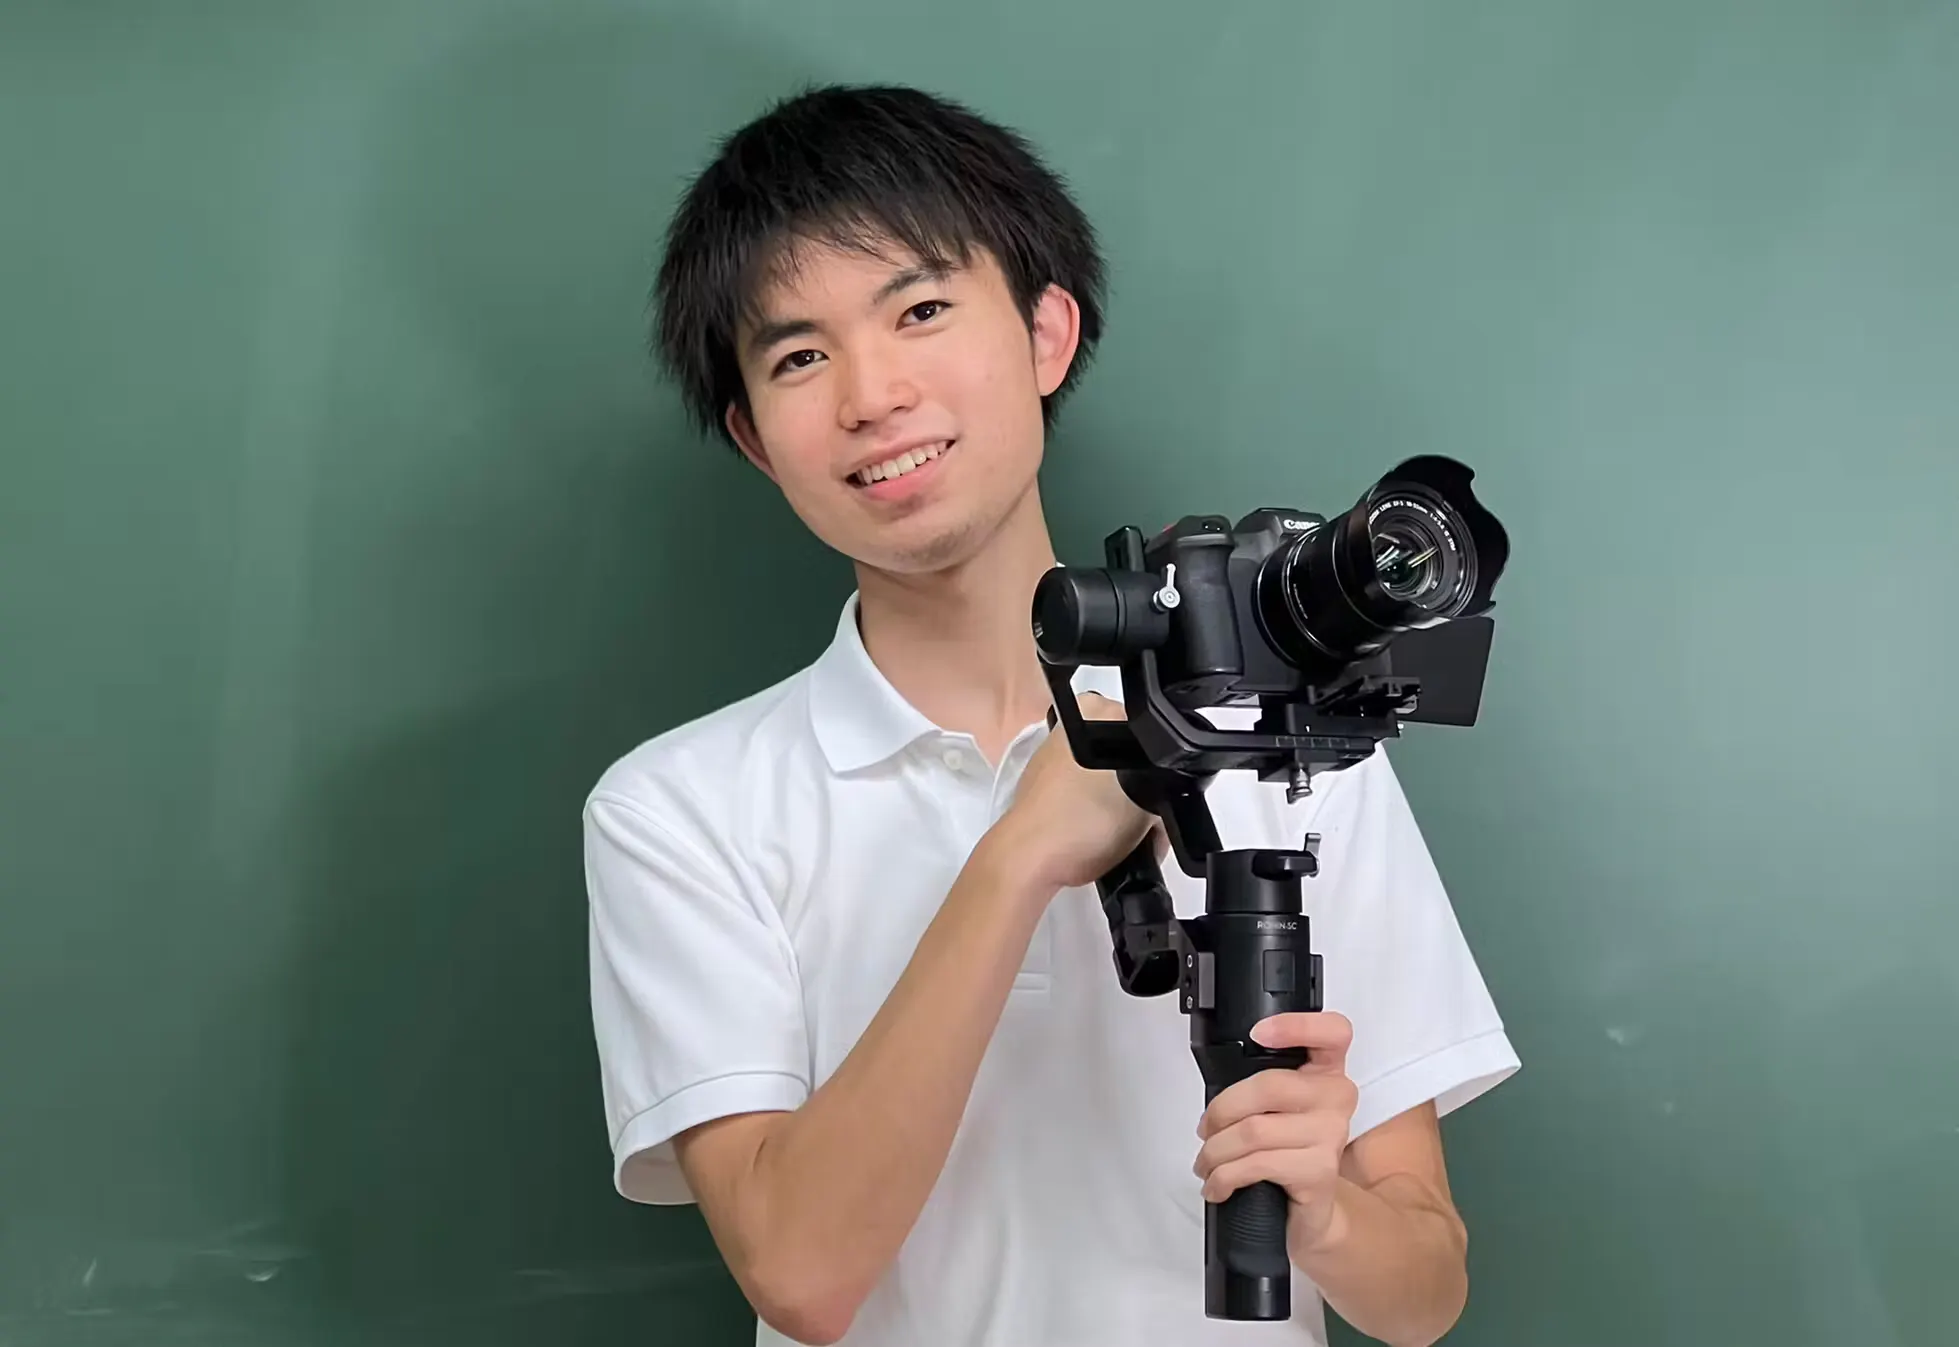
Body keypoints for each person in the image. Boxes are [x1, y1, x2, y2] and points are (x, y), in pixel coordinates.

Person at [582, 83, 1519, 1347]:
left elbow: (1426, 1296)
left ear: (1046, 335)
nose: (872, 394)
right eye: (801, 356)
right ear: (755, 438)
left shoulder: (1289, 740)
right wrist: (1023, 851)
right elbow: (801, 1276)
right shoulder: (680, 809)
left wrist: (1327, 1217)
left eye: (920, 310)